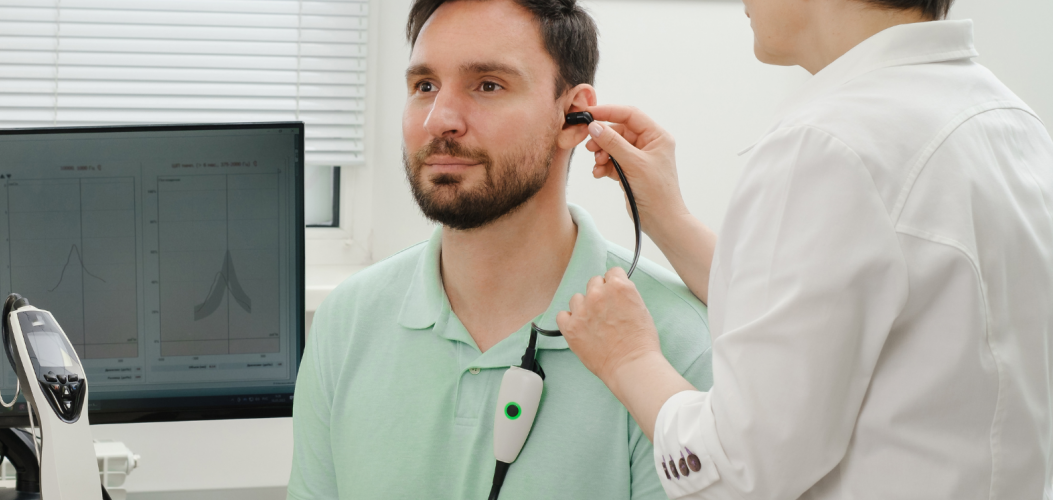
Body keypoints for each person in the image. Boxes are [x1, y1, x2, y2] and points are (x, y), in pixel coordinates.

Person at [553, 0, 1053, 497]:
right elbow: (827, 314)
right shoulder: (1005, 117)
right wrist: (667, 216)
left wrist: (628, 358)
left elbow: (741, 472)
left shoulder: (830, 142)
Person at [287, 0, 713, 498]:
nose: (440, 120)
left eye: (488, 85)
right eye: (424, 86)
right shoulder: (348, 321)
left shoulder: (673, 342)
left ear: (573, 117)